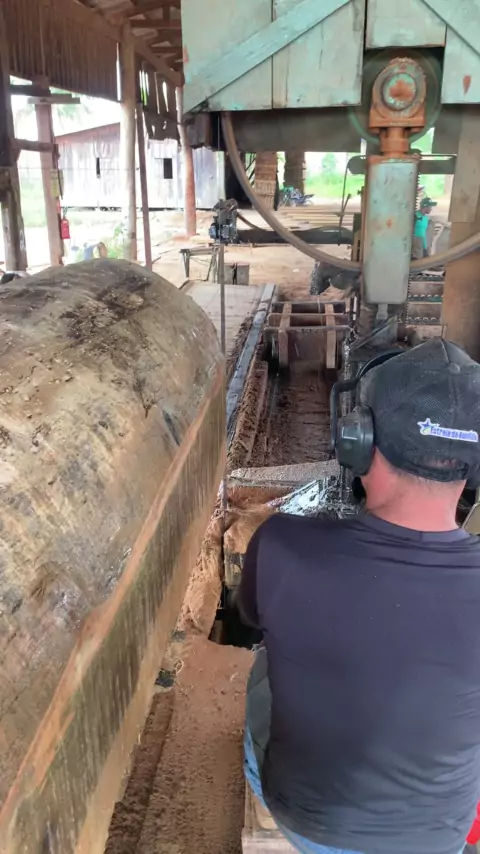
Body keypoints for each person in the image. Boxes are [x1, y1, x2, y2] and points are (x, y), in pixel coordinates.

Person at [237, 338, 480, 854]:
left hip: (307, 822)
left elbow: (250, 619)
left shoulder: (283, 546)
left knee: (264, 661)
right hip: (438, 839)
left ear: (357, 439)